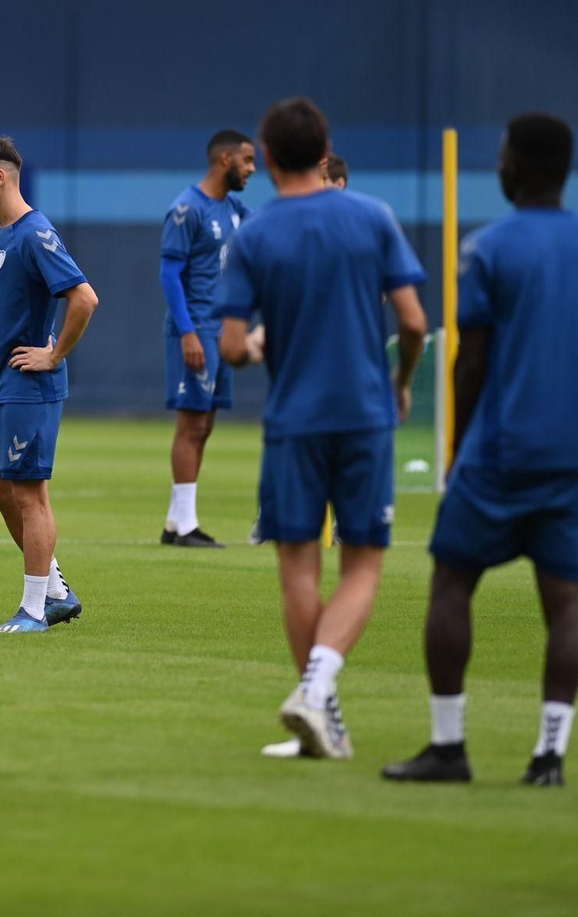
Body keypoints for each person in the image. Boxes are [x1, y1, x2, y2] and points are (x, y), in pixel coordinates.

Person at [383, 114, 578, 787]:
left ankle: (449, 748)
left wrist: (457, 448)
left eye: (500, 155)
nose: (497, 164)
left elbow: (472, 362)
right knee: (565, 603)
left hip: (499, 452)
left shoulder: (487, 249)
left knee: (452, 581)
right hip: (574, 456)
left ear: (514, 166)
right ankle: (550, 757)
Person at [220, 98, 427, 758]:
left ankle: (315, 703)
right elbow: (414, 322)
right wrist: (401, 381)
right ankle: (318, 698)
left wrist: (260, 343)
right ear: (324, 150)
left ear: (268, 156)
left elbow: (232, 346)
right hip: (365, 414)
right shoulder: (372, 216)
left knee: (297, 570)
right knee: (363, 564)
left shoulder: (255, 233)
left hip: (293, 421)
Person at [0, 136, 99, 634]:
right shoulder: (2, 230)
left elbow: (84, 298)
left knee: (31, 496)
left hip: (27, 387)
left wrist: (54, 355)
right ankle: (56, 592)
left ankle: (35, 609)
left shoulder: (36, 233)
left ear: (1, 178)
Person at [160, 129, 256, 548]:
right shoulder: (187, 209)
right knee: (191, 423)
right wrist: (188, 333)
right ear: (224, 159)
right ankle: (185, 526)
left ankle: (175, 522)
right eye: (247, 160)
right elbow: (169, 275)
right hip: (195, 330)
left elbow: (270, 228)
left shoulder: (234, 209)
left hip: (220, 331)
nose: (252, 169)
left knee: (206, 424)